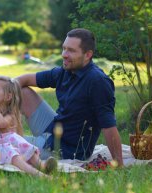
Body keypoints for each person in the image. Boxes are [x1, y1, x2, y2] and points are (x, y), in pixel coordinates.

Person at [16, 28, 124, 166]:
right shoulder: (65, 71)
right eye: (64, 48)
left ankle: (4, 136)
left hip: (65, 150)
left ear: (87, 55)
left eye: (71, 51)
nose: (64, 55)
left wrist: (118, 162)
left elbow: (108, 126)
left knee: (1, 145)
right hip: (52, 130)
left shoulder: (97, 82)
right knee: (21, 91)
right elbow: (24, 79)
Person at [0, 75, 57, 177]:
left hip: (9, 147)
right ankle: (38, 175)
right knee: (10, 151)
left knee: (22, 144)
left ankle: (41, 165)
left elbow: (1, 123)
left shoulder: (10, 115)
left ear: (8, 97)